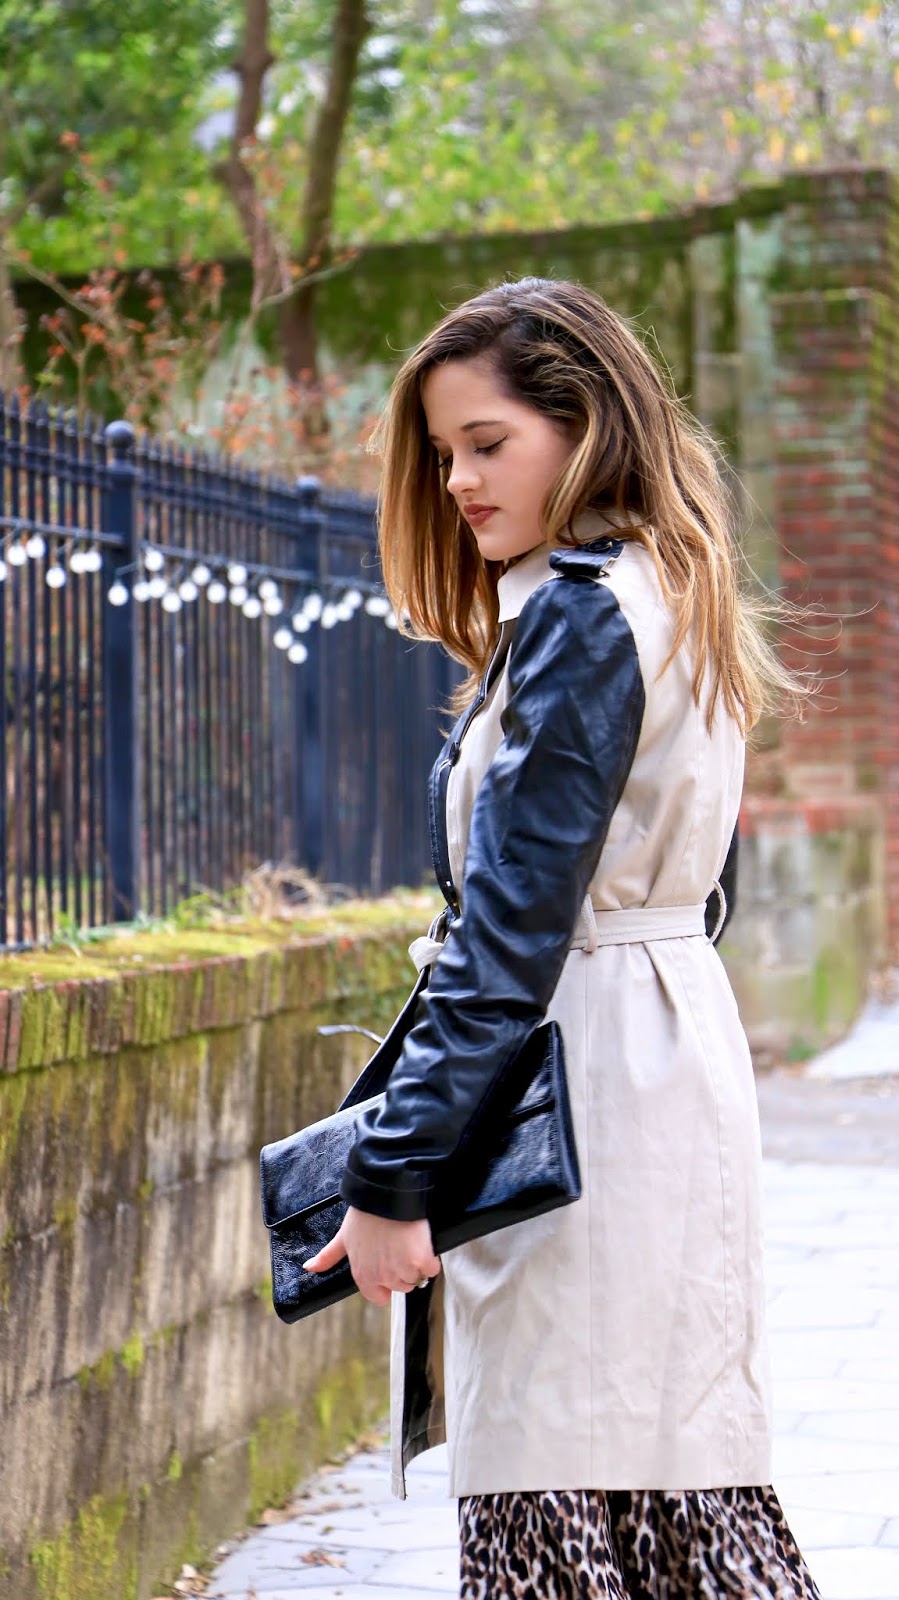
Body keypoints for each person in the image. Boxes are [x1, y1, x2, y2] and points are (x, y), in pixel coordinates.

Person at [303, 277, 821, 1599]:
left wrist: (394, 1176)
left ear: (583, 426)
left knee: (564, 1494)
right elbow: (693, 884)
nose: (459, 482)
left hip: (578, 1077)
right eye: (443, 453)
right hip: (659, 1053)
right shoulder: (668, 586)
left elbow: (508, 933)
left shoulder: (582, 614)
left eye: (488, 443)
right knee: (669, 1494)